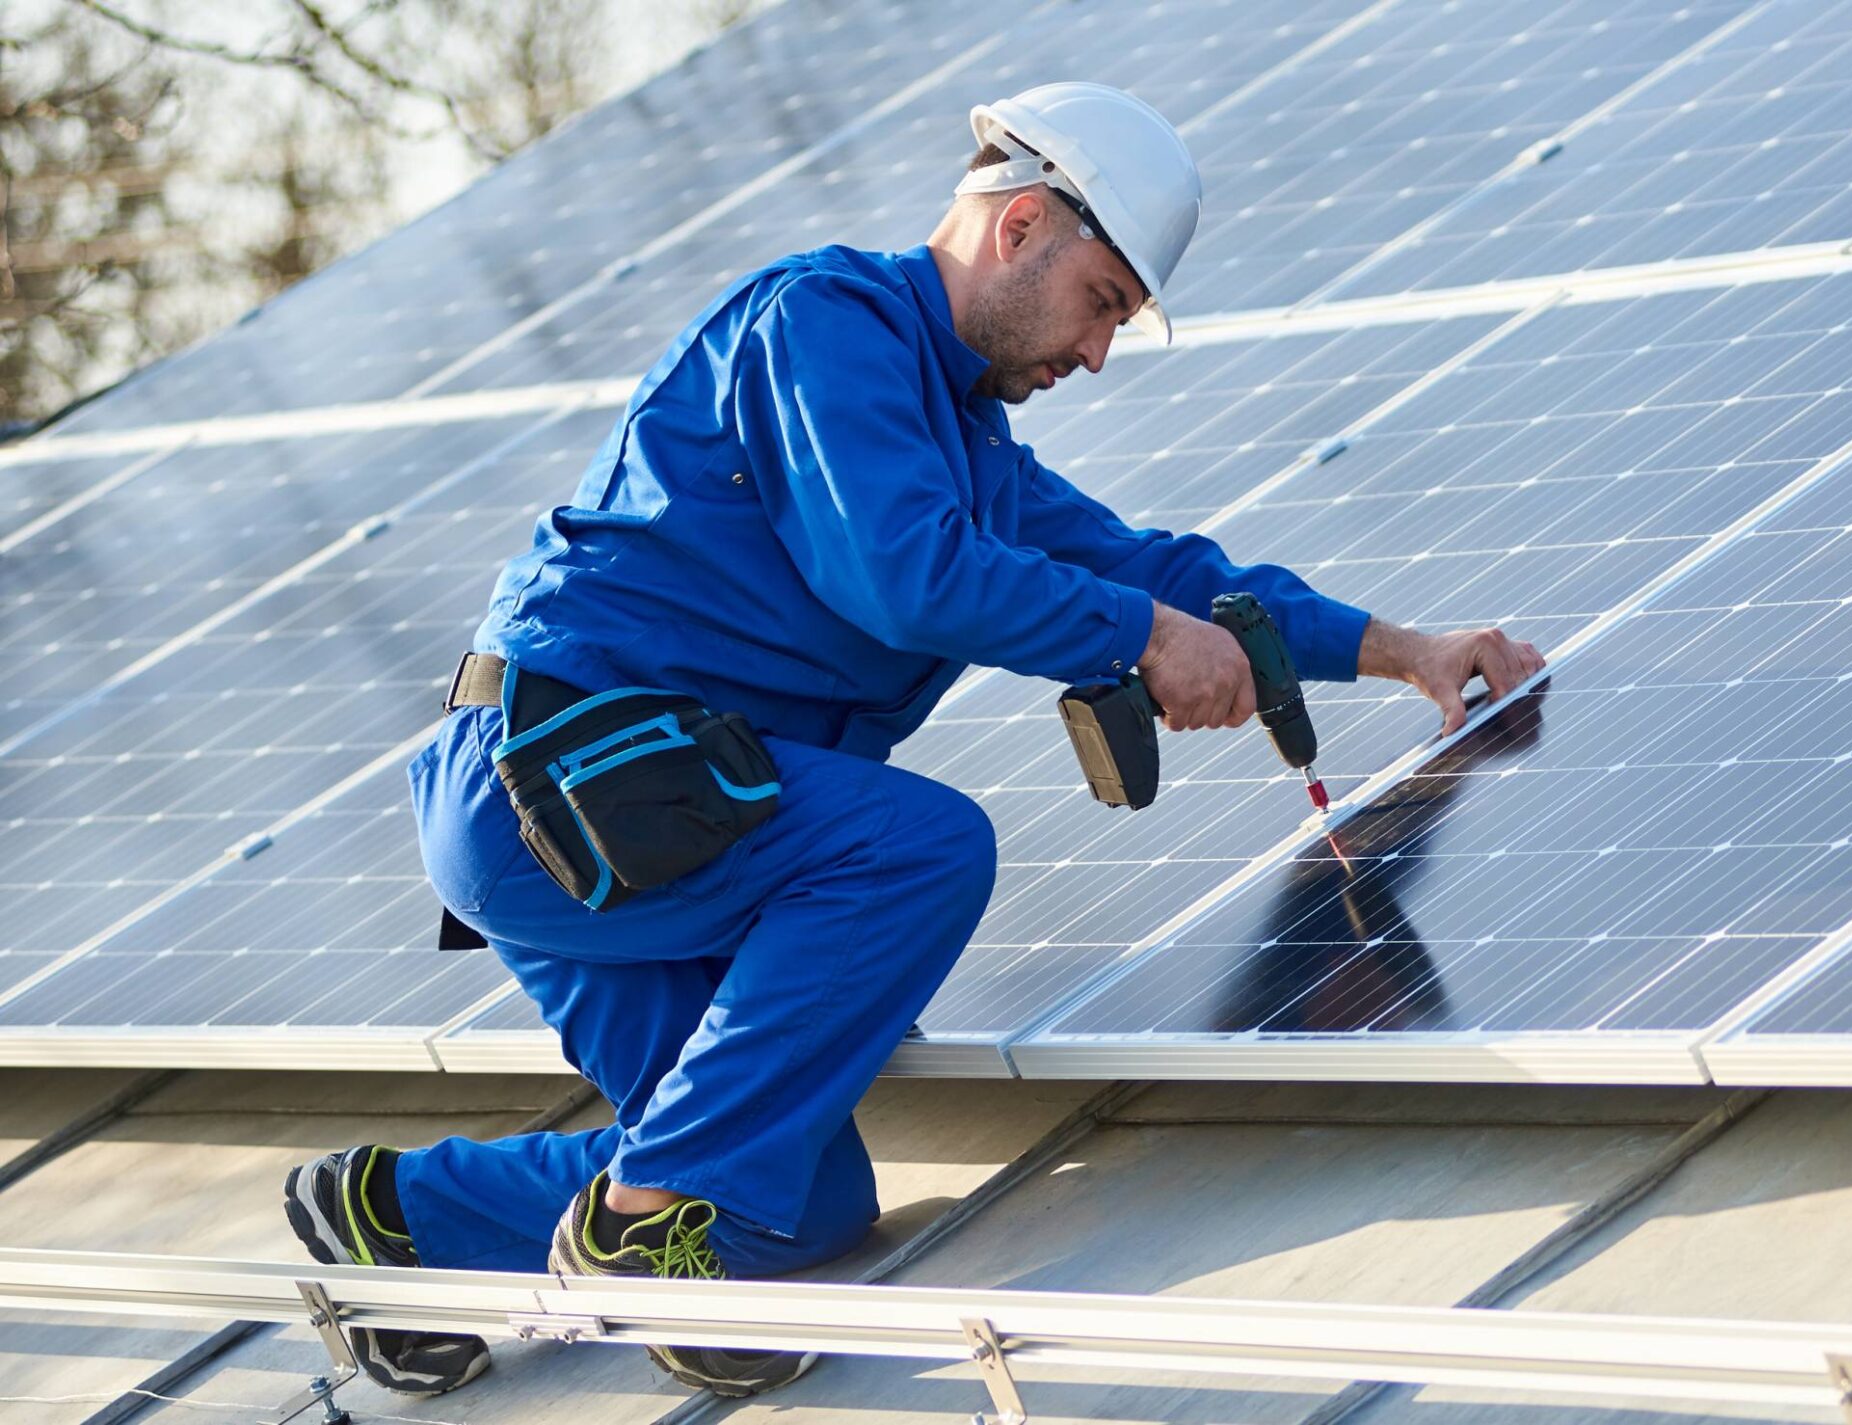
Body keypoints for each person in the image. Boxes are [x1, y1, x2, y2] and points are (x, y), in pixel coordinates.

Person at [282, 82, 1542, 1399]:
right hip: (563, 787)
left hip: (656, 829)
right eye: (1105, 300)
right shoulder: (824, 325)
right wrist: (1137, 637)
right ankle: (636, 1231)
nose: (1099, 352)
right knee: (922, 850)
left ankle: (394, 1213)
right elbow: (903, 573)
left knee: (791, 1195)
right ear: (1024, 227)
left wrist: (1399, 648)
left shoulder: (969, 448)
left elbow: (1154, 568)